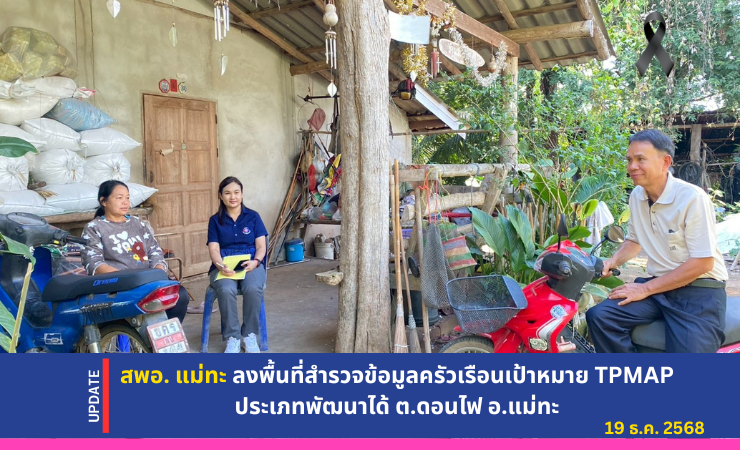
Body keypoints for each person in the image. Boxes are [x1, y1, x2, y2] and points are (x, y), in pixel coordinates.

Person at [586, 129, 728, 353]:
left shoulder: (692, 198)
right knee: (600, 317)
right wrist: (612, 261)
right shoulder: (637, 196)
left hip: (699, 290)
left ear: (665, 162)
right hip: (659, 288)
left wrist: (645, 289)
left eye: (640, 159)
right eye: (629, 160)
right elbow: (634, 241)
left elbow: (703, 263)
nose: (632, 166)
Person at [81, 180, 189, 323]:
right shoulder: (94, 228)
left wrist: (158, 271)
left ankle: (162, 333)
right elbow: (93, 263)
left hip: (147, 281)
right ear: (103, 201)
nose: (125, 202)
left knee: (180, 295)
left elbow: (154, 251)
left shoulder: (137, 224)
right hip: (118, 285)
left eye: (127, 197)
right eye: (119, 198)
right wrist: (125, 278)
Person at [207, 176, 267, 354]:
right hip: (224, 265)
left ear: (242, 194)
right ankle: (232, 337)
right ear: (220, 196)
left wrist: (256, 262)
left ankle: (249, 335)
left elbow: (261, 246)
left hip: (251, 263)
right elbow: (214, 249)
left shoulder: (253, 217)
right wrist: (220, 266)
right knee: (226, 289)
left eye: (236, 192)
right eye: (227, 193)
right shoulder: (215, 220)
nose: (232, 197)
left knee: (253, 287)